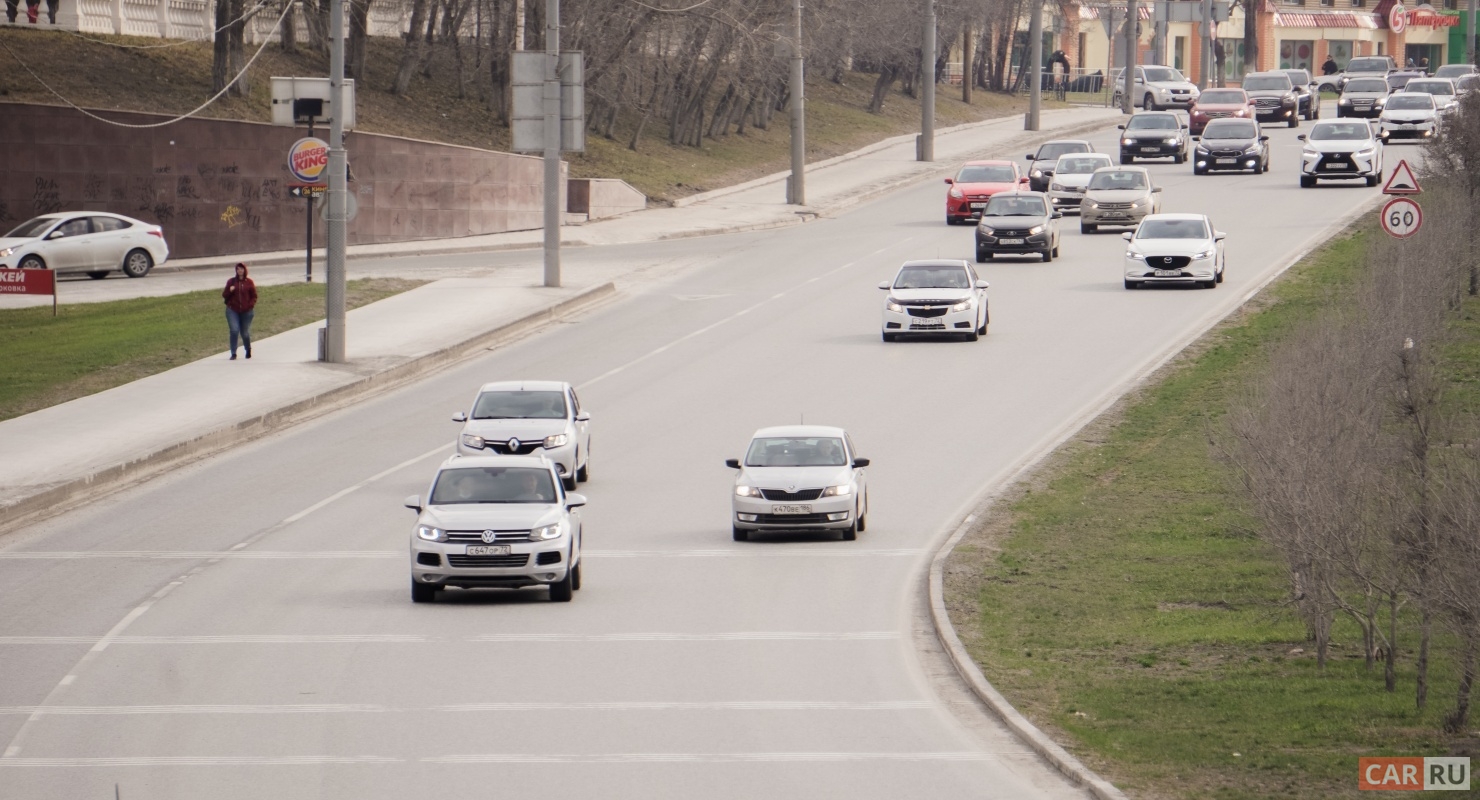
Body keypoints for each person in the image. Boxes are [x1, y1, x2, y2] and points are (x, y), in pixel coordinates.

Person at [222, 262, 257, 360]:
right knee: (234, 330)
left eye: (241, 269)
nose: (240, 271)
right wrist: (230, 290)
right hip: (232, 310)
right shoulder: (231, 282)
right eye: (238, 269)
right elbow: (224, 295)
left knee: (244, 332)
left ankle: (248, 349)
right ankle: (233, 353)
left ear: (244, 270)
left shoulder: (249, 282)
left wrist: (250, 305)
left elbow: (254, 296)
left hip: (247, 311)